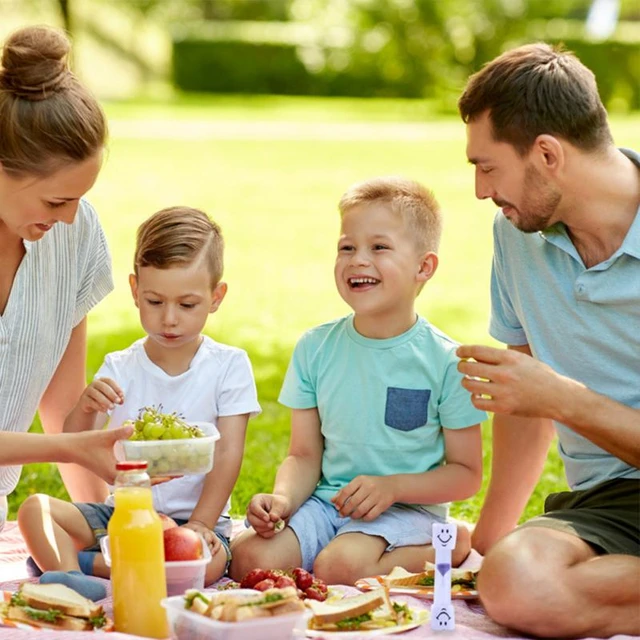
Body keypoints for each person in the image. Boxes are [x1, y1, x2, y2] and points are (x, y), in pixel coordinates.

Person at [456, 43, 640, 638]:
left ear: (547, 154)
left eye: (487, 167)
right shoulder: (516, 237)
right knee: (515, 579)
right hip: (615, 504)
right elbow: (522, 398)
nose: (482, 190)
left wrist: (562, 398)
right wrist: (488, 542)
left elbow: (546, 396)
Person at [230, 177, 485, 585]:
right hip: (329, 502)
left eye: (378, 247)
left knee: (338, 567)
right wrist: (282, 500)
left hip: (407, 509)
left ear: (424, 266)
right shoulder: (315, 347)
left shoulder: (446, 361)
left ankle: (449, 541)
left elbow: (466, 473)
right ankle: (345, 549)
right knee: (247, 558)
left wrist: (392, 487)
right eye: (347, 247)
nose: (358, 260)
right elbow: (304, 454)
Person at [18, 207, 261, 600]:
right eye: (154, 301)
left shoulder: (229, 366)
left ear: (216, 297)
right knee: (35, 510)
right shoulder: (120, 366)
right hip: (124, 516)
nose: (169, 320)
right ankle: (68, 568)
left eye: (187, 305)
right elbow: (74, 443)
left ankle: (80, 564)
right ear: (134, 291)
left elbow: (229, 453)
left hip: (193, 522)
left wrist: (201, 523)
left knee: (202, 565)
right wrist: (84, 406)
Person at [0, 25, 114, 508]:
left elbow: (61, 406)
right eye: (56, 200)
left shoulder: (74, 233)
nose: (69, 217)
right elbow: (68, 442)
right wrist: (69, 447)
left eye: (79, 199)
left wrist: (105, 526)